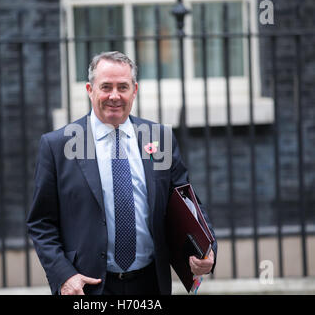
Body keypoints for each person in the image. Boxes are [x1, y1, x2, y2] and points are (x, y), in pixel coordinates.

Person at [27, 51, 217, 295]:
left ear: (134, 90)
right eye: (106, 87)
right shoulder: (57, 146)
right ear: (89, 89)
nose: (114, 96)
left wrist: (207, 248)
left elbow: (187, 203)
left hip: (150, 284)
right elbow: (41, 223)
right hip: (88, 286)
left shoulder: (159, 139)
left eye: (122, 87)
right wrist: (64, 276)